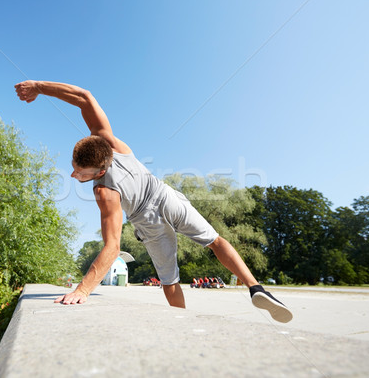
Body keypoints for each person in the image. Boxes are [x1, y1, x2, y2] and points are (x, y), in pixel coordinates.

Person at [15, 80, 293, 323]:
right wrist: (39, 87)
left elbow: (113, 247)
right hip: (165, 196)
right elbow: (85, 97)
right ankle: (256, 288)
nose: (73, 174)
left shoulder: (104, 192)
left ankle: (185, 325)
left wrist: (82, 289)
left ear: (100, 172)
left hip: (147, 222)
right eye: (74, 167)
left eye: (80, 172)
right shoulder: (109, 143)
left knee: (169, 281)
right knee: (215, 241)